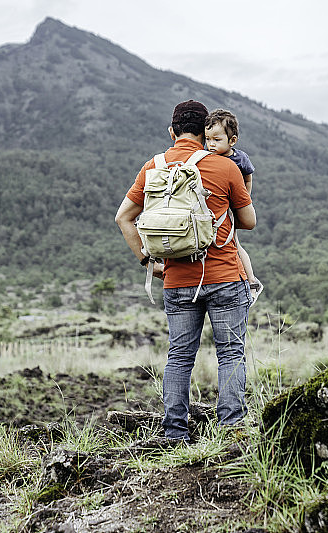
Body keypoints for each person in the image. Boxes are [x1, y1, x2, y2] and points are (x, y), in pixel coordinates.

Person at [115, 100, 256, 442]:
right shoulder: (225, 166)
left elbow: (123, 218)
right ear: (205, 131)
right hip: (225, 276)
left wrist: (148, 261)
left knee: (179, 357)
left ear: (172, 131)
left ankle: (175, 432)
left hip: (176, 280)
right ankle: (231, 431)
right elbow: (249, 221)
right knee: (231, 353)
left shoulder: (153, 167)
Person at [204, 109, 263, 302]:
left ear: (232, 140)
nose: (211, 144)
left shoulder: (239, 158)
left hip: (232, 208)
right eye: (208, 139)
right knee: (231, 243)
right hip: (217, 209)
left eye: (217, 139)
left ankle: (251, 280)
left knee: (235, 244)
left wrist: (244, 200)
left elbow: (248, 178)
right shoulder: (207, 156)